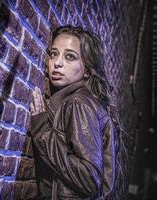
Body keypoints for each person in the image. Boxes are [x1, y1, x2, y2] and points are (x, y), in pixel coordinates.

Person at [28, 25, 127, 199]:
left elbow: (89, 179)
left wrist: (43, 133)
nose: (57, 63)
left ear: (87, 71)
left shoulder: (78, 103)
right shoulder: (85, 101)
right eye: (53, 54)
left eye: (70, 57)